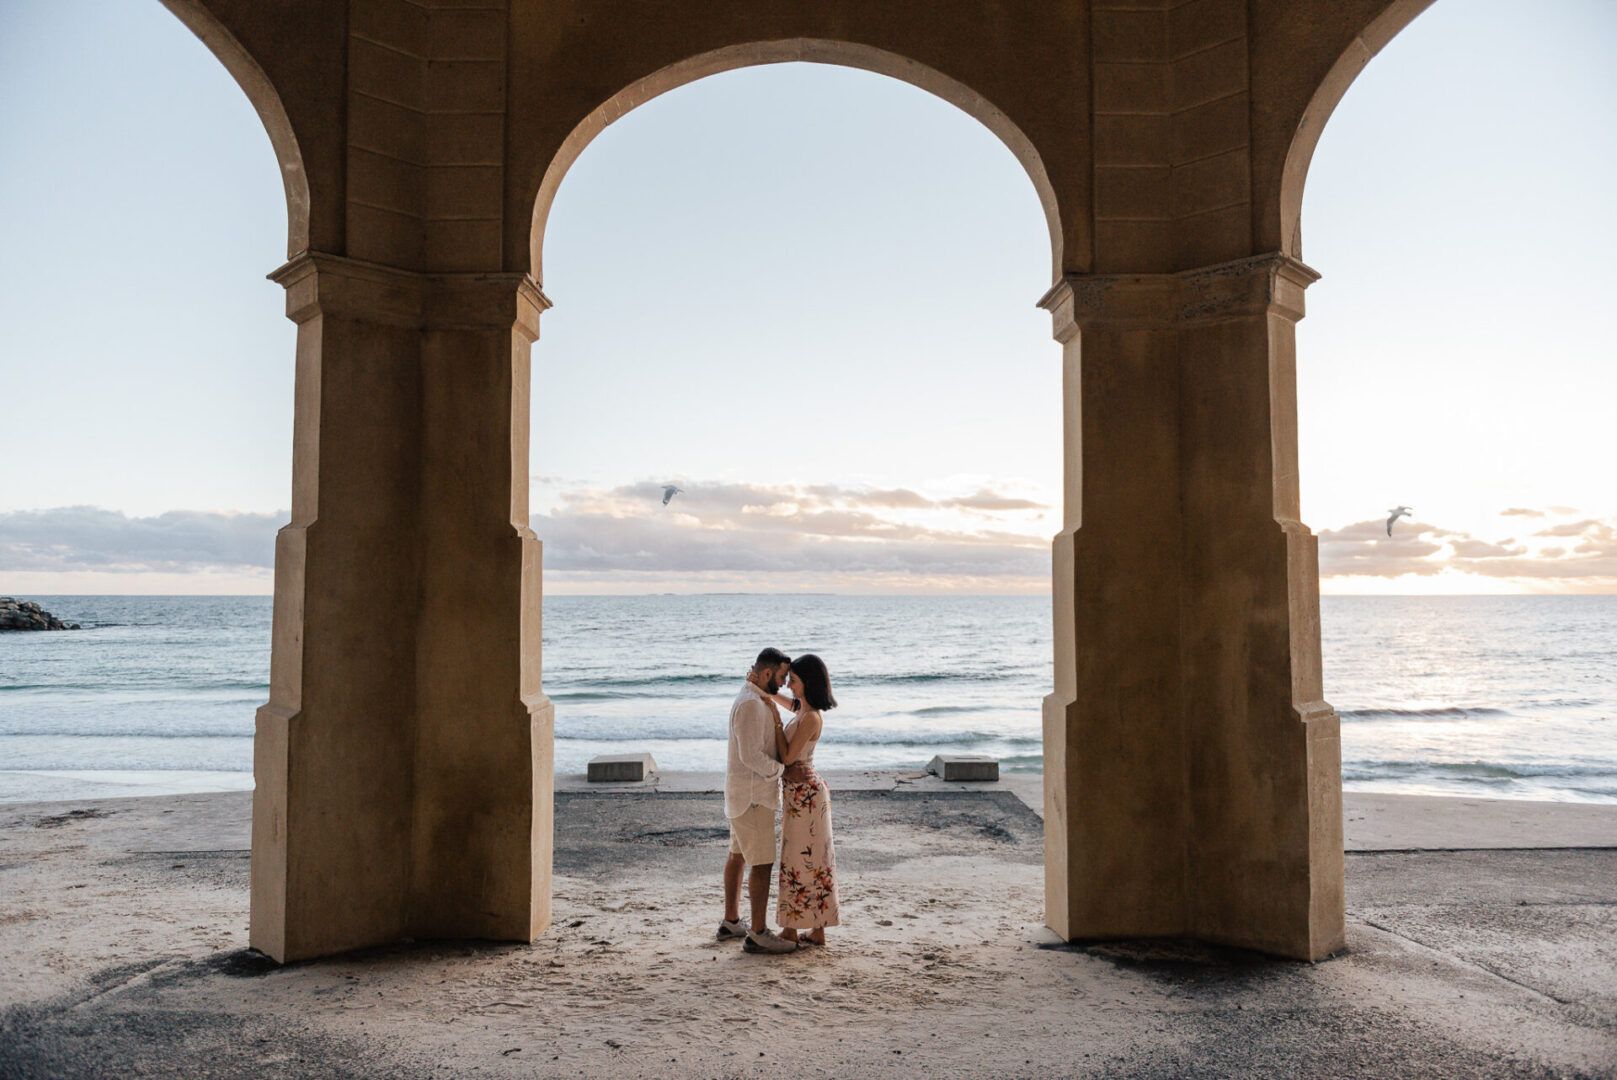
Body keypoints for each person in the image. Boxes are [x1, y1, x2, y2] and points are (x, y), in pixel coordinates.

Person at [718, 647, 798, 954]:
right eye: (781, 676)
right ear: (766, 674)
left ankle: (730, 922)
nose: (784, 681)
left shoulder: (755, 697)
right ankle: (758, 932)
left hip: (744, 795)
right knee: (762, 863)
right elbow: (749, 755)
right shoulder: (751, 703)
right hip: (752, 797)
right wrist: (781, 769)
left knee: (737, 855)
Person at [769, 653, 840, 946]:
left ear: (807, 683)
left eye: (793, 681)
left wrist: (774, 722)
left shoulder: (811, 718)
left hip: (806, 796)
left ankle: (791, 929)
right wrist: (766, 694)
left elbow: (787, 756)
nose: (789, 686)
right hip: (800, 792)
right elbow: (787, 703)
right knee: (809, 860)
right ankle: (816, 930)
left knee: (801, 861)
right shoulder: (803, 711)